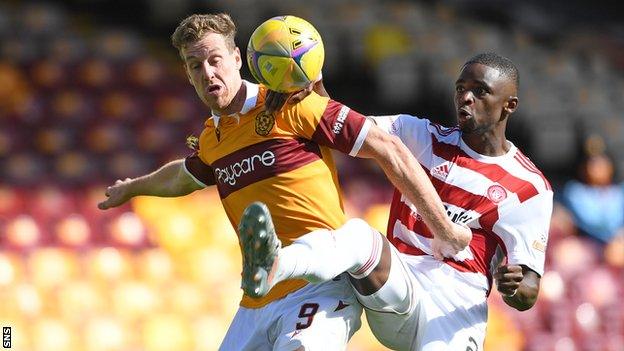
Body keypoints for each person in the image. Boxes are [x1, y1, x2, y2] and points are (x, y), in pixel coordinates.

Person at [97, 13, 470, 350]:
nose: (207, 73)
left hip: (319, 288)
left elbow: (389, 148)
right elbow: (183, 176)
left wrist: (444, 229)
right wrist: (132, 187)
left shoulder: (291, 103)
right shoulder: (213, 139)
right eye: (195, 66)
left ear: (238, 59)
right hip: (255, 305)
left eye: (214, 60)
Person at [242, 52, 554, 350]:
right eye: (461, 89)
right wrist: (312, 83)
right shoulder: (420, 134)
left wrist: (513, 286)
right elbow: (347, 129)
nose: (465, 98)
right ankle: (276, 264)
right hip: (397, 285)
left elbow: (528, 290)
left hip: (454, 306)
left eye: (480, 91)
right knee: (358, 237)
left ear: (509, 105)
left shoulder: (530, 188)